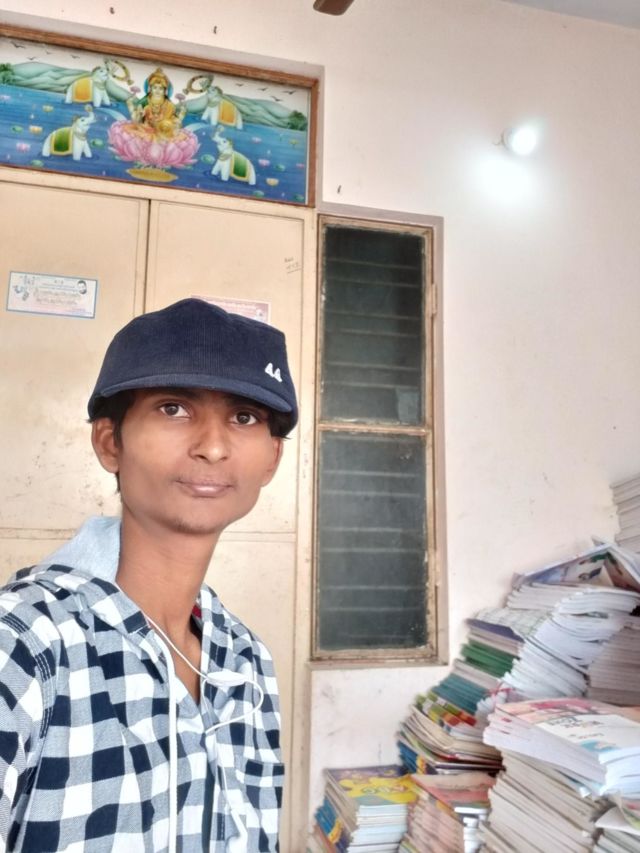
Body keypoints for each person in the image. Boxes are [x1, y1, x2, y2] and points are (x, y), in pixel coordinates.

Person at [0, 298, 297, 852]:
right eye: (173, 408)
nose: (213, 447)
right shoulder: (23, 644)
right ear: (110, 442)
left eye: (244, 417)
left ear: (272, 458)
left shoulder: (245, 661)